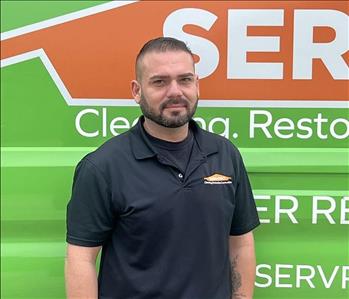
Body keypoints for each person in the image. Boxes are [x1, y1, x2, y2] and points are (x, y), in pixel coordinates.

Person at [65, 37, 260, 299]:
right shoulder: (103, 167)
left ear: (197, 85)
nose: (175, 91)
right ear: (136, 91)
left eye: (185, 79)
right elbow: (81, 259)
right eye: (160, 82)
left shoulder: (225, 154)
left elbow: (241, 243)